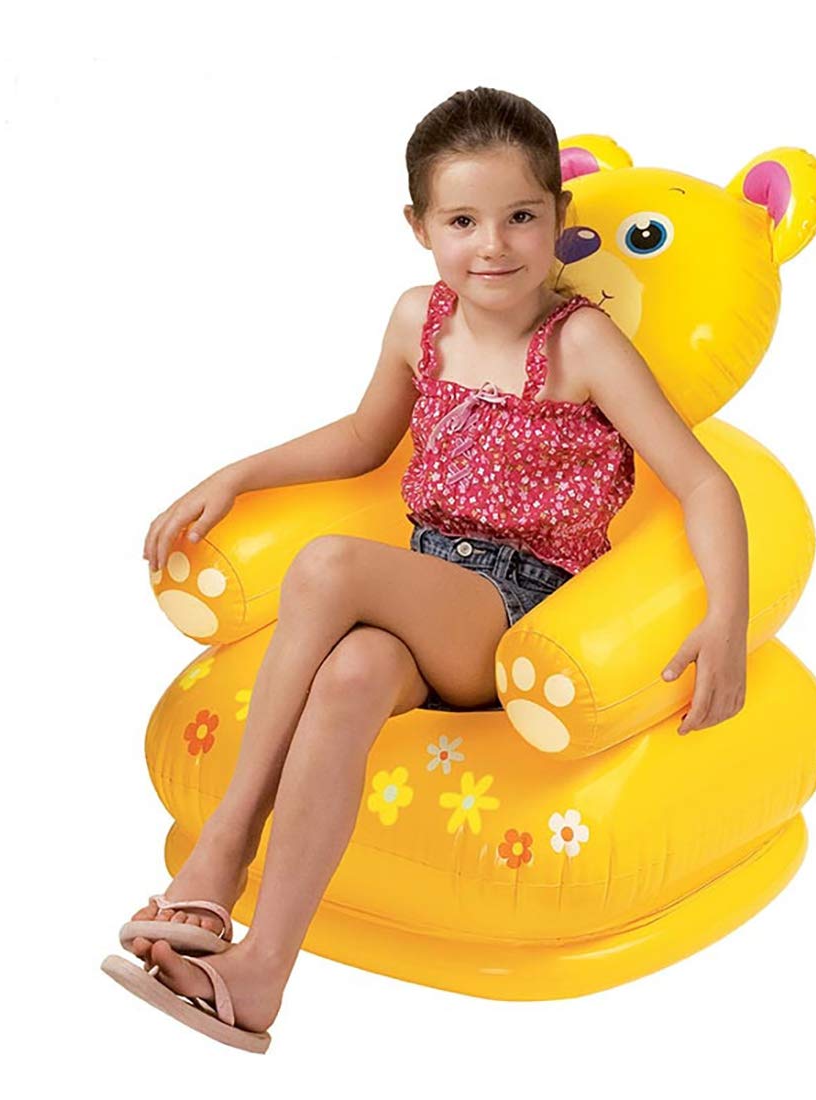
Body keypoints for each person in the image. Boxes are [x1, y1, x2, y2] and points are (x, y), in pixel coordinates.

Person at [112, 87, 750, 1049]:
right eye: (462, 222)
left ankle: (219, 854)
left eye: (521, 216)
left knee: (327, 566)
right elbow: (363, 439)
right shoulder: (418, 320)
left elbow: (703, 483)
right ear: (419, 227)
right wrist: (234, 475)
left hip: (520, 606)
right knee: (351, 675)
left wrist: (727, 620)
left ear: (559, 218)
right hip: (425, 591)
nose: (493, 245)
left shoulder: (580, 342)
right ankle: (259, 974)